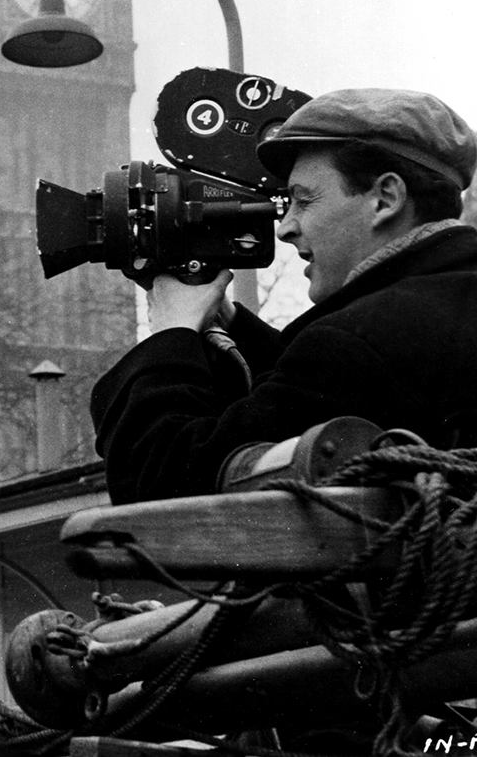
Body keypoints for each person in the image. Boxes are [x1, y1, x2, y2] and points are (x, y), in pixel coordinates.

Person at [91, 88, 477, 504]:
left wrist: (172, 332)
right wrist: (231, 321)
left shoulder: (359, 344)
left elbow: (162, 486)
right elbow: (312, 387)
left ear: (384, 198)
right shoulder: (445, 303)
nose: (285, 227)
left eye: (303, 200)